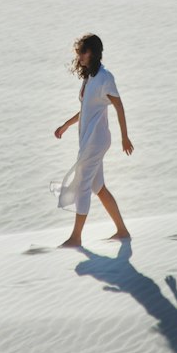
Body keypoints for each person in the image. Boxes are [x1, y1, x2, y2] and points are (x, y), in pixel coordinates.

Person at [53, 33, 132, 248]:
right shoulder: (89, 78)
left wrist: (125, 137)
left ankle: (76, 237)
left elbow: (119, 105)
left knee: (83, 186)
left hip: (96, 140)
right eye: (78, 52)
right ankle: (122, 231)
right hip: (88, 139)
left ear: (92, 53)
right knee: (98, 186)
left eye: (82, 52)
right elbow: (86, 109)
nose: (79, 56)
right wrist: (66, 125)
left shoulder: (105, 78)